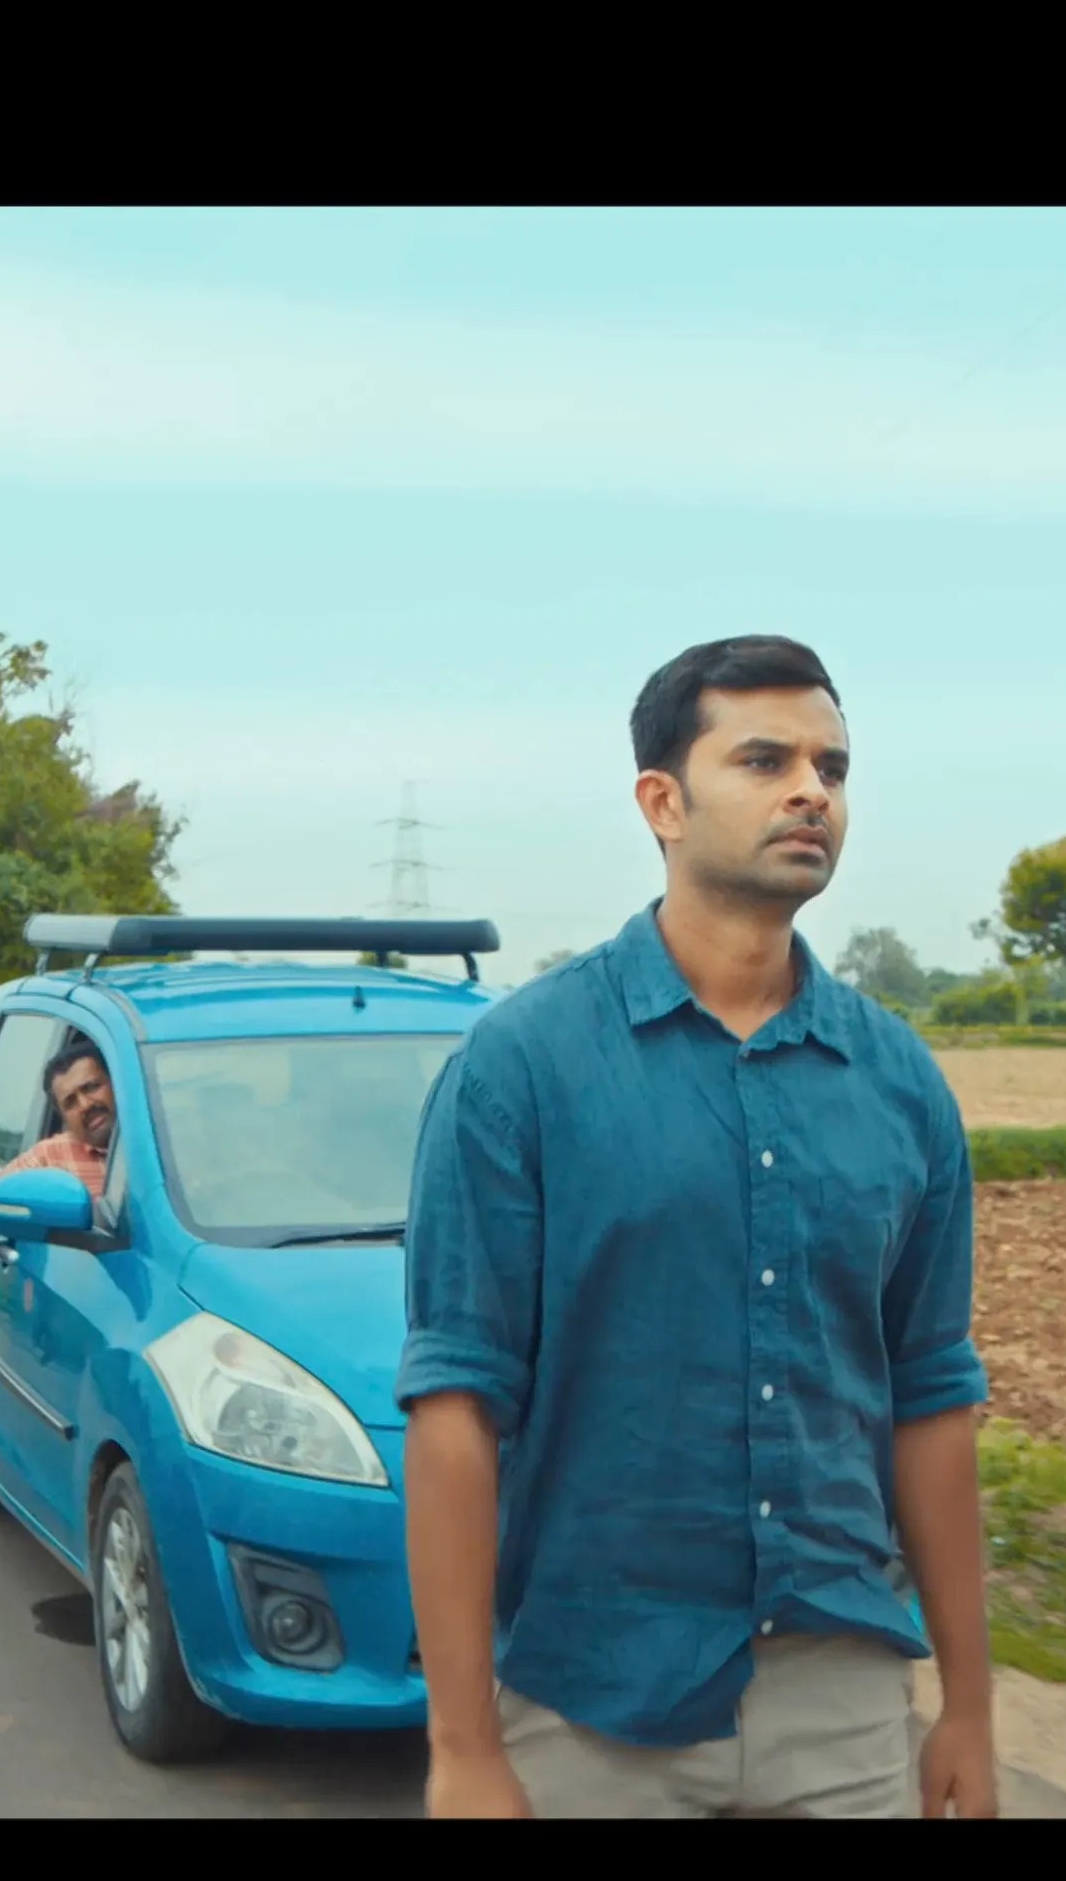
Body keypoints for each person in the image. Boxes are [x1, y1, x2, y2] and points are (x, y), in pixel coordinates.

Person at [397, 634, 993, 1819]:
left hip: (842, 1693)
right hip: (594, 1698)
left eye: (831, 767)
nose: (810, 791)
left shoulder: (898, 1082)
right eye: (765, 761)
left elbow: (930, 1397)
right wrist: (462, 1747)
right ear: (661, 803)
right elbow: (455, 1406)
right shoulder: (523, 1067)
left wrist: (968, 1709)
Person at [0, 1032, 118, 1368]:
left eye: (92, 1087)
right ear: (63, 1117)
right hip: (85, 1324)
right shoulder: (53, 1156)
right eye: (70, 1102)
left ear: (116, 1083)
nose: (85, 1105)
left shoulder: (168, 1139)